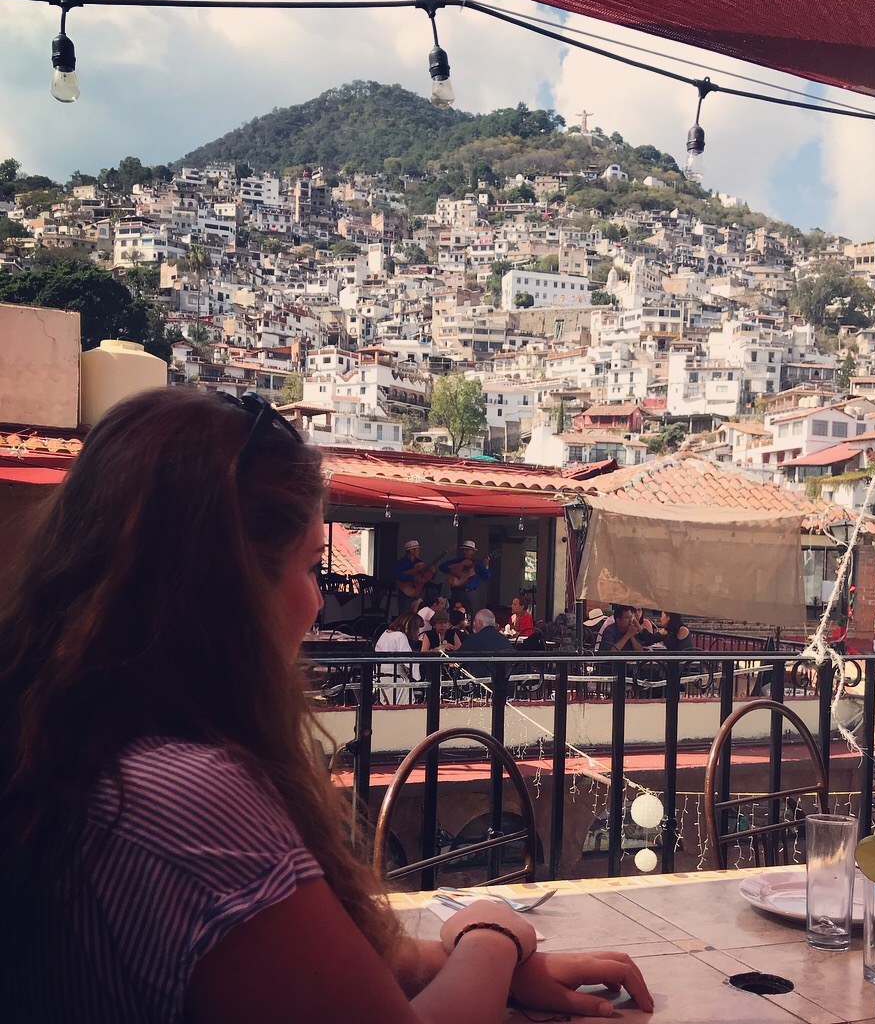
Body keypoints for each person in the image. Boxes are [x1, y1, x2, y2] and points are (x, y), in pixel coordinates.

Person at [0, 387, 652, 1023]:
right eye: (311, 565)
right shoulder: (180, 797)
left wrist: (460, 966)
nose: (316, 603)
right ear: (229, 586)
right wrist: (493, 934)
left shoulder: (65, 746)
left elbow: (278, 965)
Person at [376, 610, 423, 704]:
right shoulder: (400, 636)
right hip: (396, 678)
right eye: (417, 628)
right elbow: (408, 660)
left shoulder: (386, 633)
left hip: (381, 675)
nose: (418, 631)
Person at [439, 540, 491, 615]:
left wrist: (486, 565)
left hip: (472, 592)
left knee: (473, 614)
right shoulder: (457, 561)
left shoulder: (478, 565)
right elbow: (442, 567)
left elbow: (486, 577)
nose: (465, 552)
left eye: (467, 550)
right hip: (457, 592)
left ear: (473, 551)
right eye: (464, 550)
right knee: (454, 613)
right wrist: (453, 571)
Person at [394, 539, 436, 614]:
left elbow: (427, 577)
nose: (419, 551)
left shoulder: (420, 563)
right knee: (405, 614)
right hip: (405, 593)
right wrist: (412, 578)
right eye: (417, 549)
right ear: (412, 551)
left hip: (418, 592)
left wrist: (432, 572)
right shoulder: (401, 563)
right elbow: (397, 575)